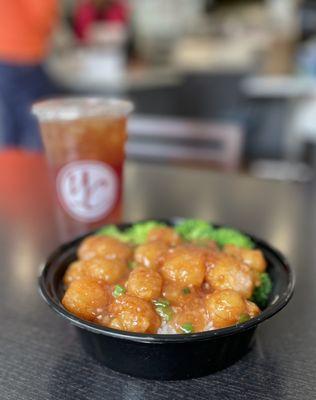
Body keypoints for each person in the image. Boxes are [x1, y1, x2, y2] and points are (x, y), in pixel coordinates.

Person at [0, 1, 58, 149]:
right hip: (26, 56)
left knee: (10, 124)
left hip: (4, 55)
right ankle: (30, 169)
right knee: (34, 126)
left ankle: (10, 168)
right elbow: (43, 18)